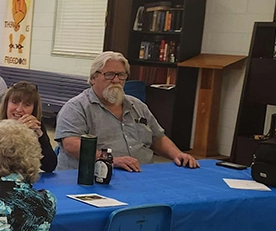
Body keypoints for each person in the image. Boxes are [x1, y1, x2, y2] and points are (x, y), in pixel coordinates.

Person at [55, 51, 199, 172]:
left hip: (141, 175)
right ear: (93, 78)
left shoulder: (137, 105)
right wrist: (111, 161)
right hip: (93, 178)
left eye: (121, 75)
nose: (116, 80)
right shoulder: (76, 107)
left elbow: (157, 137)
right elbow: (71, 144)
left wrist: (178, 154)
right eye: (109, 74)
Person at [0, 82, 57, 174]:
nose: (19, 109)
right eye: (14, 102)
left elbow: (49, 166)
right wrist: (15, 131)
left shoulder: (35, 124)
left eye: (27, 105)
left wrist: (41, 137)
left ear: (33, 109)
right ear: (6, 103)